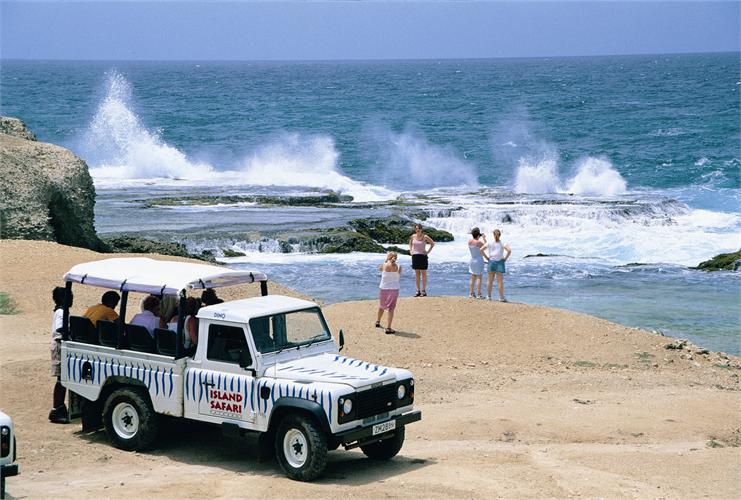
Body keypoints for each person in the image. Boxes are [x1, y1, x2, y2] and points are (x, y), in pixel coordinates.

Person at [50, 286, 73, 423]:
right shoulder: (61, 312)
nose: (72, 300)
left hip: (60, 345)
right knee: (60, 379)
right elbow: (60, 328)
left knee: (62, 379)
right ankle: (56, 409)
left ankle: (59, 408)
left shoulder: (61, 311)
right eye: (70, 297)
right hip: (59, 346)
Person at [482, 229, 512, 302]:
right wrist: (505, 259)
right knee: (500, 281)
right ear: (499, 235)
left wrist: (486, 258)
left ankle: (488, 296)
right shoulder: (503, 243)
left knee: (490, 280)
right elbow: (509, 250)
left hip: (491, 262)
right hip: (500, 263)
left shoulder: (489, 242)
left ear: (493, 235)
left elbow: (481, 250)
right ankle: (501, 297)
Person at [375, 251, 401, 334]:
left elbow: (379, 268)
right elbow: (399, 274)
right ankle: (388, 328)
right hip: (394, 289)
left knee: (381, 306)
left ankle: (378, 321)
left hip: (384, 288)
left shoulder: (383, 265)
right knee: (391, 308)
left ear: (388, 257)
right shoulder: (399, 266)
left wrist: (386, 260)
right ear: (396, 258)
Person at [408, 223, 435, 297]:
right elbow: (410, 243)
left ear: (421, 229)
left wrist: (428, 252)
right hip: (415, 256)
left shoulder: (425, 237)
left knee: (423, 273)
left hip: (423, 256)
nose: (417, 230)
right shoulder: (413, 236)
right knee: (417, 274)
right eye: (416, 229)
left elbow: (432, 243)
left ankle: (424, 291)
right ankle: (418, 291)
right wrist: (410, 250)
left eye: (419, 229)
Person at [468, 227, 487, 298]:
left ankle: (471, 293)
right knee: (479, 277)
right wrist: (484, 238)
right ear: (478, 235)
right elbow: (487, 246)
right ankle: (479, 294)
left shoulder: (469, 241)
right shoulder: (478, 242)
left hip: (472, 260)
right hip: (479, 260)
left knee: (472, 277)